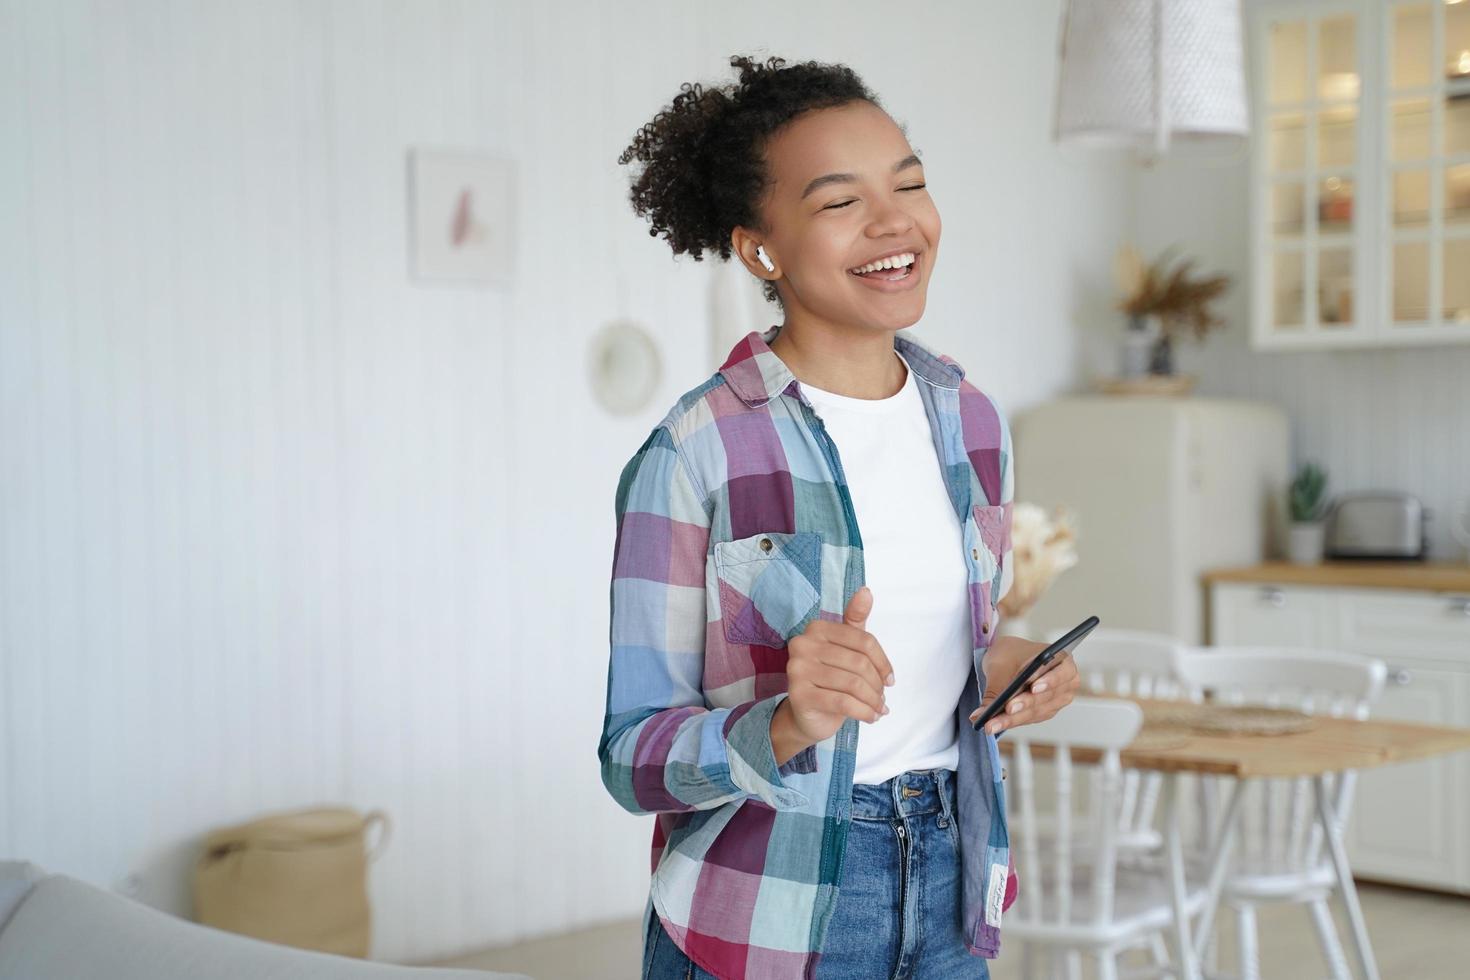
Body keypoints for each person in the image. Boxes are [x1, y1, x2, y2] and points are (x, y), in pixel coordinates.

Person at [598, 55, 1081, 980]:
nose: (896, 221)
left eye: (910, 184)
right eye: (839, 202)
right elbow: (632, 757)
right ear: (760, 249)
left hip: (951, 882)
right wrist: (786, 722)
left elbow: (956, 653)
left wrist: (1012, 669)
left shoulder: (972, 422)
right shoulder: (694, 452)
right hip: (769, 907)